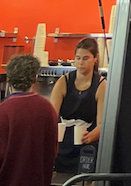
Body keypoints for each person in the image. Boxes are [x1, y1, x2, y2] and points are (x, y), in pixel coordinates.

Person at [0, 55, 56, 186]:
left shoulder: (1, 112)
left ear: (9, 80)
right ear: (34, 78)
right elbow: (52, 151)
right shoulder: (48, 109)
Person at [49, 38, 106, 182]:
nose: (80, 63)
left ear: (95, 58)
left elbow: (103, 124)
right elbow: (51, 117)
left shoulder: (101, 85)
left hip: (86, 145)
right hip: (62, 144)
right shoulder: (63, 82)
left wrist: (91, 136)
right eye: (78, 58)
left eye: (85, 58)